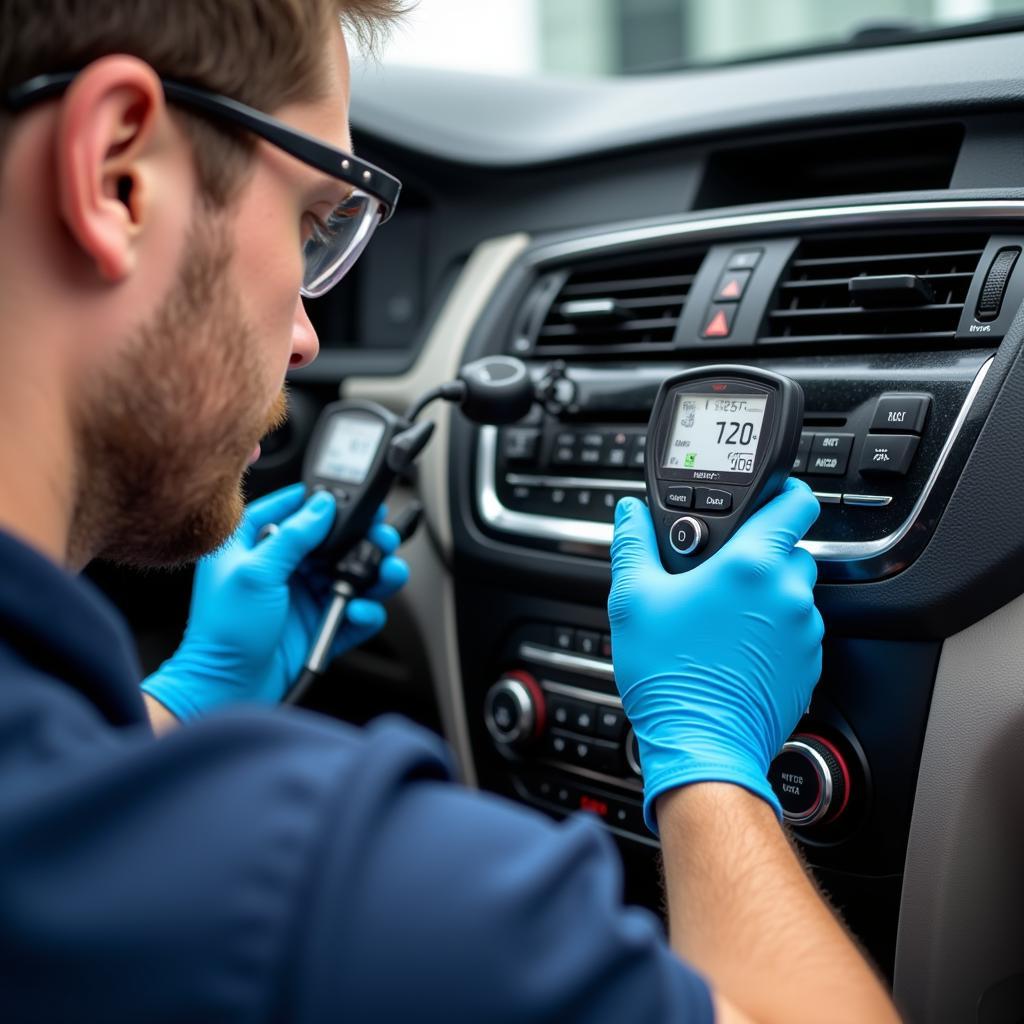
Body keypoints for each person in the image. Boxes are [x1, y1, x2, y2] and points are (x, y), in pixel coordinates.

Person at [0, 2, 901, 1022]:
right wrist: (708, 755)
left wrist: (173, 708)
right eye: (311, 224)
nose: (305, 335)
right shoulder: (334, 891)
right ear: (118, 175)